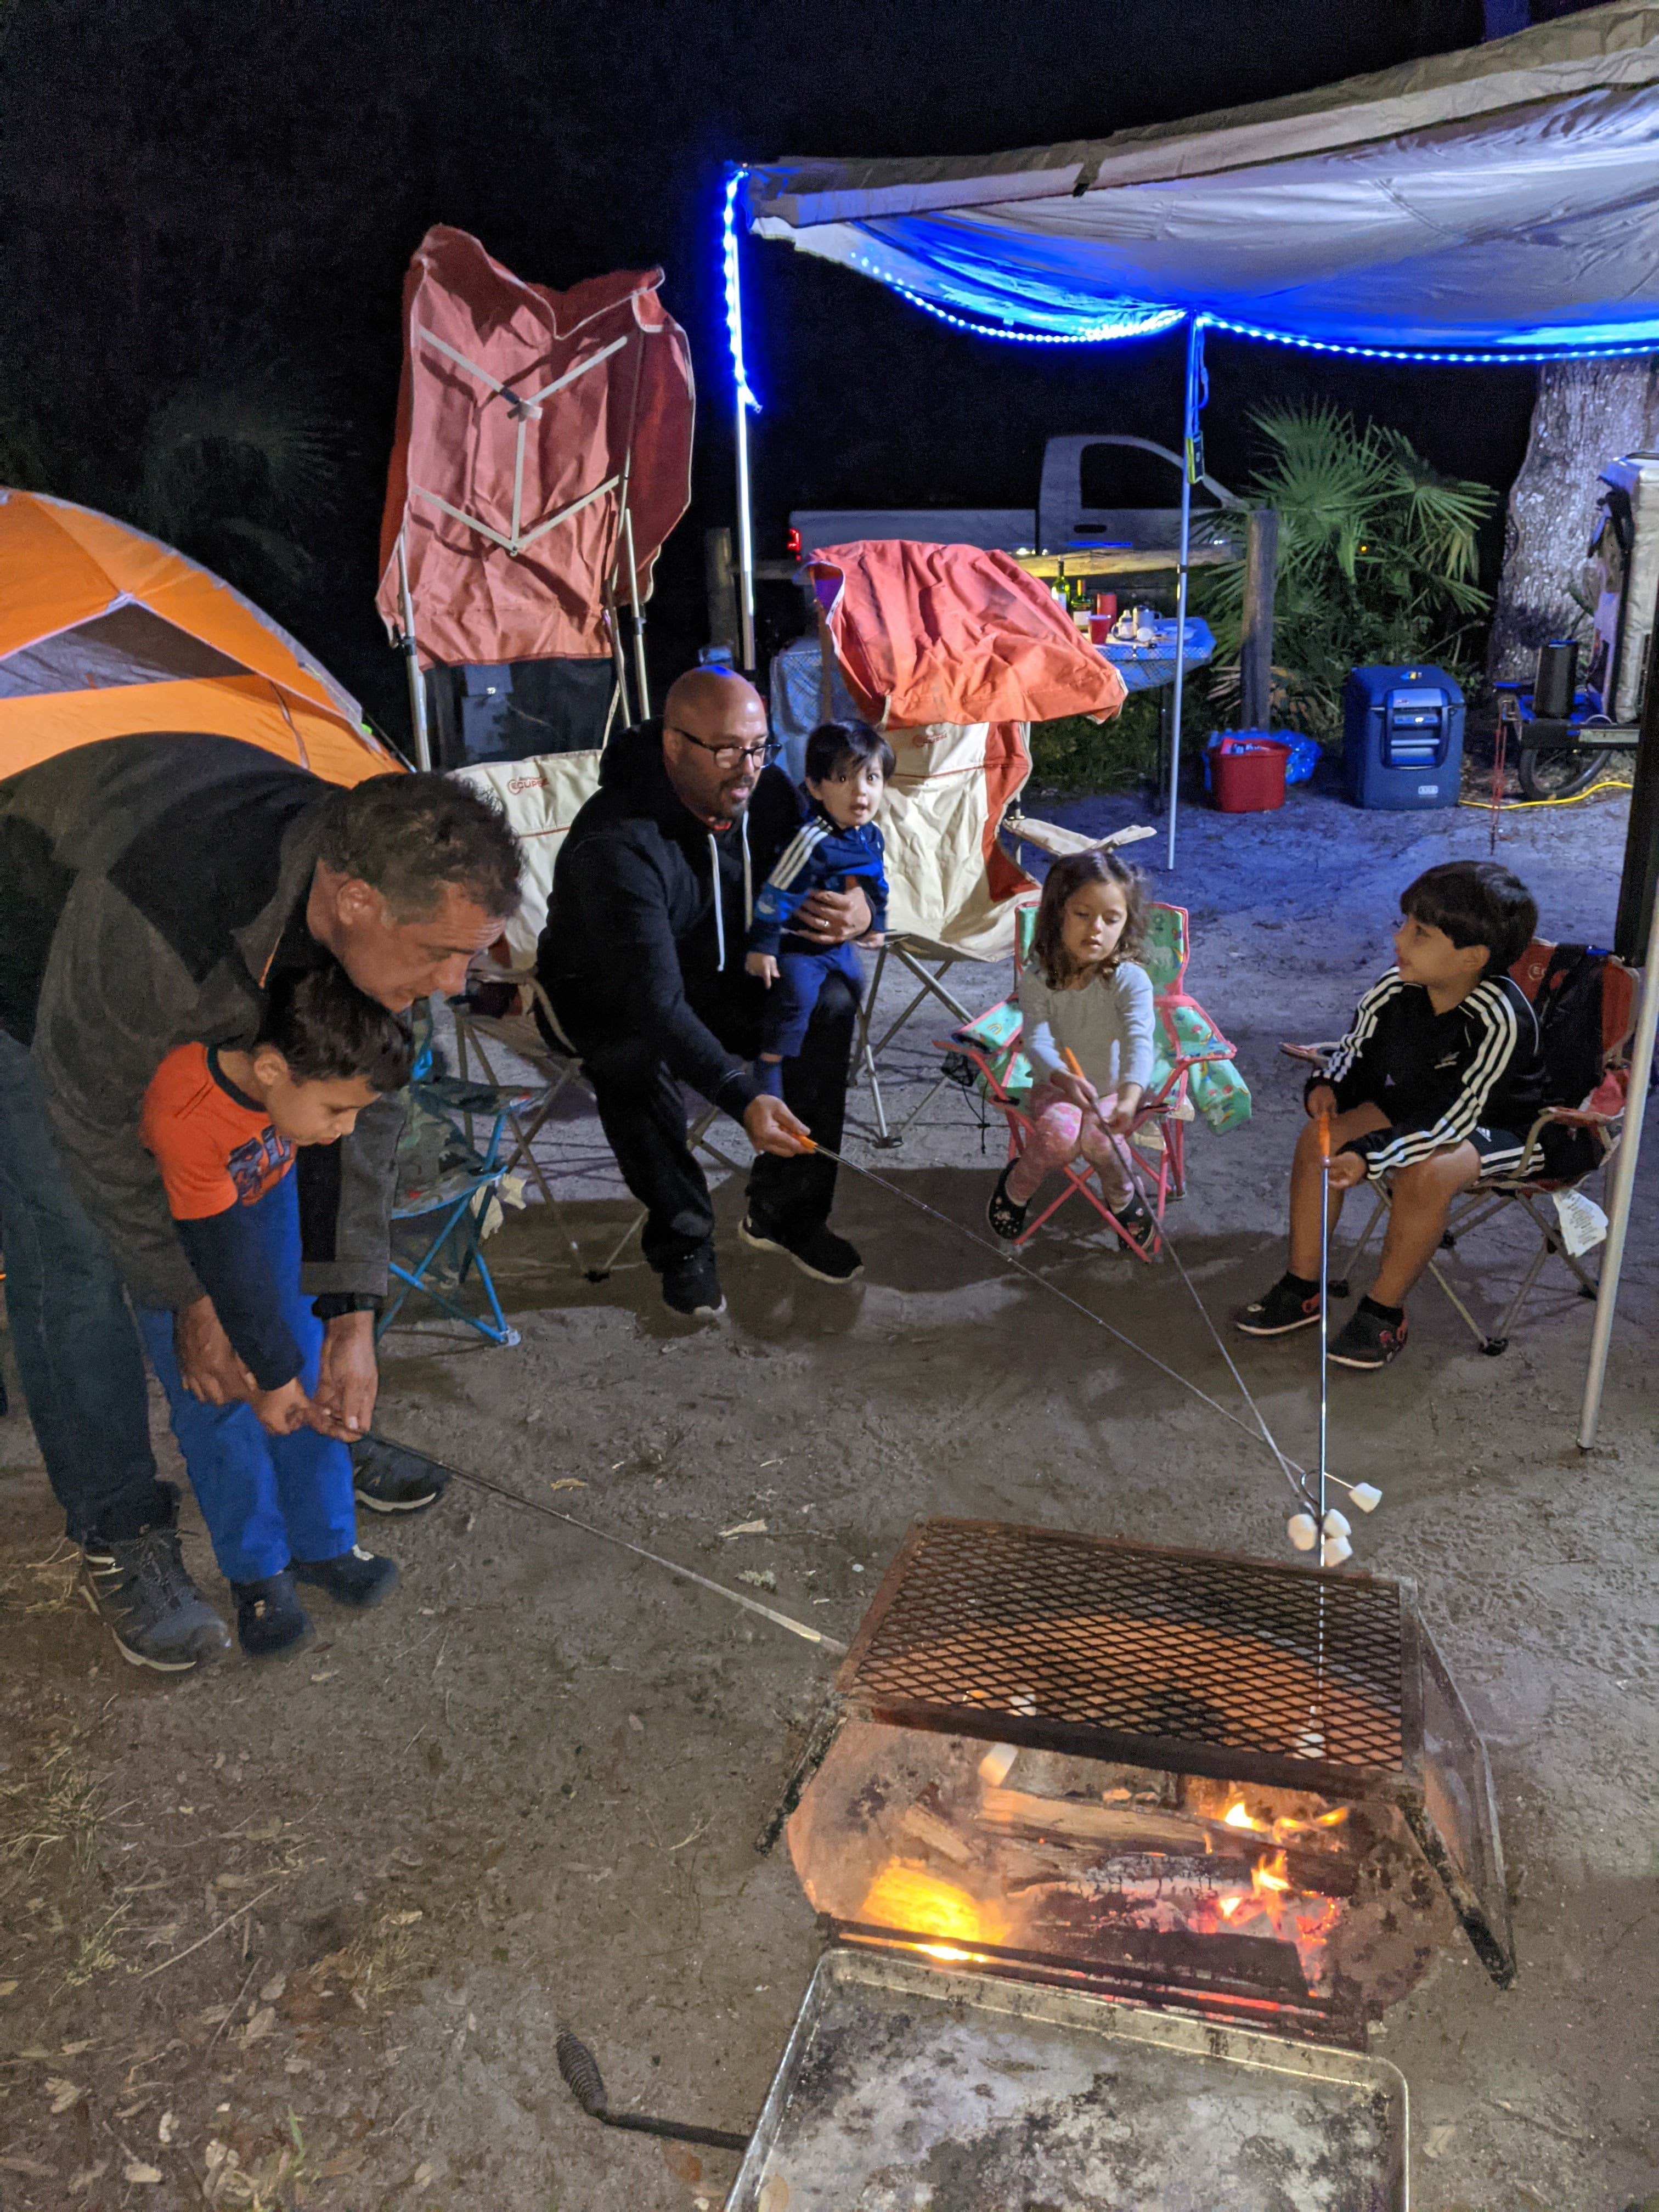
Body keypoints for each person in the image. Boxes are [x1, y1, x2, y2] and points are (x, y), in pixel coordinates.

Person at [0, 734, 521, 1671]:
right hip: (32, 956)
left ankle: (298, 1435)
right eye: (444, 955)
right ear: (356, 902)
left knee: (286, 1161)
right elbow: (90, 1114)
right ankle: (120, 1521)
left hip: (183, 939)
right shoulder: (166, 916)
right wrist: (189, 1294)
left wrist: (351, 1314)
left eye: (469, 956)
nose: (455, 985)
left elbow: (363, 1110)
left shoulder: (373, 895)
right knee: (73, 1250)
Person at [536, 668, 871, 1321]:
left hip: (717, 977)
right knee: (633, 1054)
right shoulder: (620, 840)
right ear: (672, 746)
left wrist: (859, 906)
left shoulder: (764, 790)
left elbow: (828, 852)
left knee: (824, 1003)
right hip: (608, 995)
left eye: (759, 745)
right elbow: (654, 1004)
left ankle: (785, 1212)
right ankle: (684, 1237)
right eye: (726, 750)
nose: (747, 767)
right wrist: (743, 1097)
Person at [138, 964, 414, 1658]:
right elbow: (222, 1267)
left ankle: (325, 1541)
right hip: (185, 1249)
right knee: (219, 1399)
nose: (344, 1130)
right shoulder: (186, 1110)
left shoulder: (289, 1078)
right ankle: (257, 1571)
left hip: (266, 1212)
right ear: (268, 1069)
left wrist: (284, 1366)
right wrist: (265, 1373)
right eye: (335, 1113)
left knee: (306, 1358)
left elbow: (279, 1330)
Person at [1235, 859, 1544, 1371]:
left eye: (1420, 933)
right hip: (1420, 1105)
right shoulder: (1394, 987)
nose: (1400, 939)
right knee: (1320, 1139)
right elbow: (1353, 1051)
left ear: (1472, 958)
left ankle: (1385, 1310)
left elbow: (1457, 1118)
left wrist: (1373, 1155)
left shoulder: (1499, 1019)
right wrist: (1329, 1085)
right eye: (1404, 923)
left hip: (1504, 1122)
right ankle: (1302, 1286)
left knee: (1426, 1171)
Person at [986, 850, 1158, 1253]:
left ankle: (1123, 1197)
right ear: (1058, 913)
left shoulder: (1131, 981)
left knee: (1103, 1142)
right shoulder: (1041, 978)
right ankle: (1018, 1186)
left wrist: (1132, 1097)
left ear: (1126, 924)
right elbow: (1038, 1040)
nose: (1096, 929)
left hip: (1117, 1090)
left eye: (1111, 919)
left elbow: (1139, 1041)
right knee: (1057, 1140)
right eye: (1083, 914)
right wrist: (1062, 1077)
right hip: (1058, 1085)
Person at [745, 719, 891, 1097]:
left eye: (872, 779)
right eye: (844, 780)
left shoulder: (870, 835)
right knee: (799, 998)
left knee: (854, 986)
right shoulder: (811, 840)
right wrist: (763, 947)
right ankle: (770, 1064)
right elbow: (775, 893)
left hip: (837, 946)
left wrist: (877, 922)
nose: (861, 792)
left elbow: (878, 884)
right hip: (800, 946)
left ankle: (815, 1067)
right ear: (815, 786)